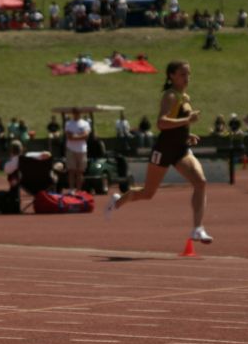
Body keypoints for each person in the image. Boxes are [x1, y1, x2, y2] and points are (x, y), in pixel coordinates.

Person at [105, 60, 213, 245]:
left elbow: (176, 125)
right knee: (148, 193)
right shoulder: (170, 96)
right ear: (171, 76)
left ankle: (197, 229)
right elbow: (161, 123)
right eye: (182, 74)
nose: (187, 78)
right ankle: (117, 202)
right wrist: (188, 119)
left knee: (200, 182)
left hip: (180, 149)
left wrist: (186, 134)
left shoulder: (183, 96)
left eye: (188, 74)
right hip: (163, 150)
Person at [64, 109, 90, 191]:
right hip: (71, 149)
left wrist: (74, 136)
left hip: (81, 150)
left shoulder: (85, 123)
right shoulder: (68, 124)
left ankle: (79, 190)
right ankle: (71, 189)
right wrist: (79, 135)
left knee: (80, 171)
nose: (76, 114)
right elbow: (68, 136)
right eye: (74, 113)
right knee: (71, 171)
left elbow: (85, 136)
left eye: (77, 113)